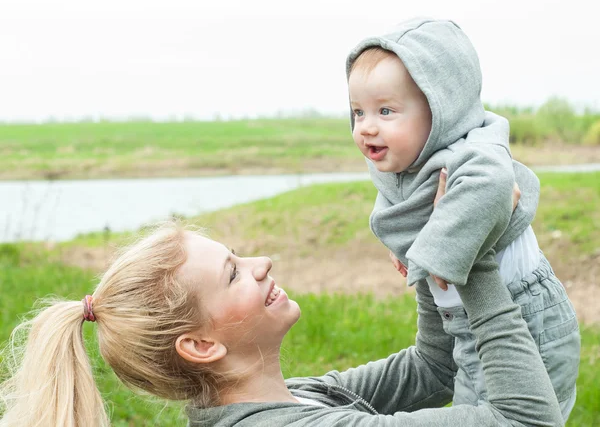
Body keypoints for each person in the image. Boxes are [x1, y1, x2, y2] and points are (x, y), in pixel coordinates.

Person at [0, 171, 564, 426]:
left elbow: (434, 367)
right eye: (232, 275)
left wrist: (429, 253)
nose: (262, 263)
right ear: (199, 344)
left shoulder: (293, 398)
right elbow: (526, 420)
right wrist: (475, 260)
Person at [346, 17, 580, 419]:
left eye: (385, 111)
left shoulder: (472, 154)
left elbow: (494, 188)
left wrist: (436, 251)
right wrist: (402, 243)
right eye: (358, 112)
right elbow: (393, 206)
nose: (367, 127)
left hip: (522, 313)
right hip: (466, 319)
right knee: (474, 409)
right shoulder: (401, 166)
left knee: (520, 412)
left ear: (442, 110)